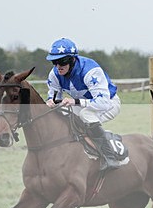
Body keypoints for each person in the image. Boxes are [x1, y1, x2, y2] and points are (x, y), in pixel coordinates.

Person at [44, 38, 125, 170]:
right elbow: (53, 97)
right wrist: (50, 102)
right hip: (84, 104)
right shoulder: (54, 74)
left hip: (108, 103)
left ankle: (109, 157)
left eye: (62, 61)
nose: (58, 66)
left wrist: (75, 101)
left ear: (72, 59)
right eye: (54, 62)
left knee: (86, 115)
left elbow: (103, 102)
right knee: (62, 113)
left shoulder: (90, 70)